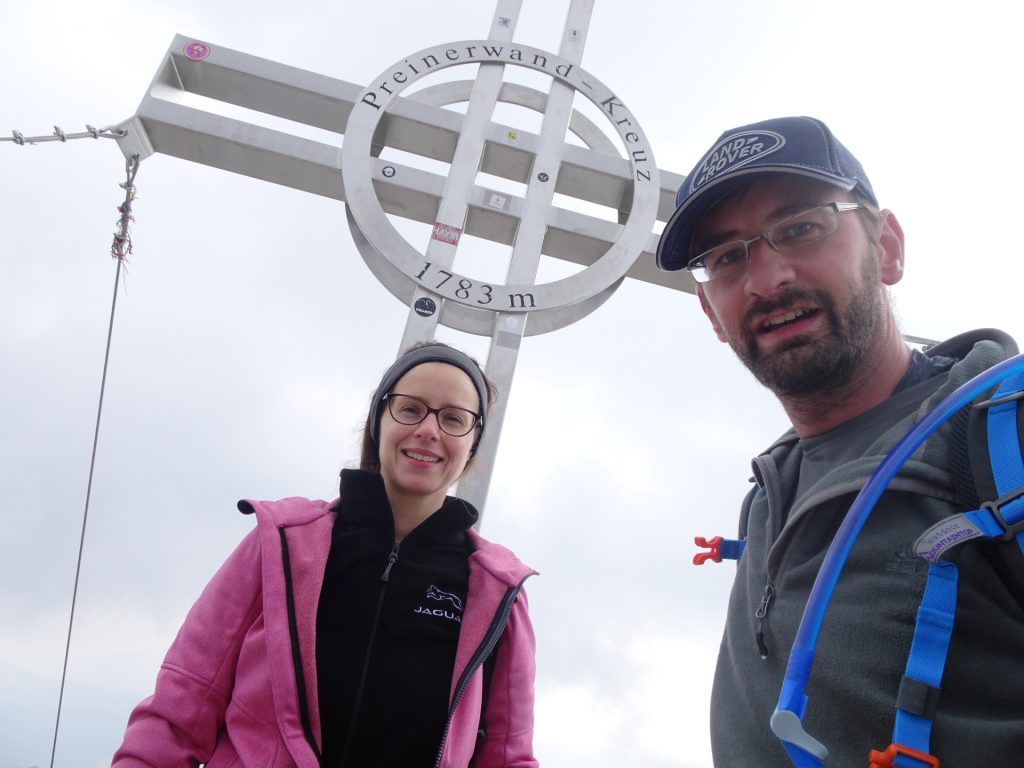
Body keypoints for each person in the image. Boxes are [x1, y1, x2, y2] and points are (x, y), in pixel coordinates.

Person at [656, 116, 1024, 766]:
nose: (766, 279)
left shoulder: (1003, 438)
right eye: (725, 256)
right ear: (711, 312)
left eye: (800, 228)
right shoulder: (766, 497)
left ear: (886, 248)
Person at [112, 342, 539, 768]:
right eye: (410, 409)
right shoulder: (280, 544)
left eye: (453, 419)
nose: (429, 429)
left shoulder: (497, 592)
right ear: (378, 421)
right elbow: (181, 706)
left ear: (473, 444)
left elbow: (508, 756)